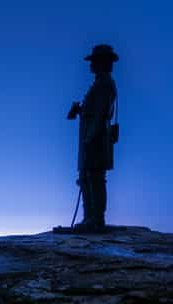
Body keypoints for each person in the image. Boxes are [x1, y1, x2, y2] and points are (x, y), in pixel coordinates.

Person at [66, 44, 119, 232]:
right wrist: (80, 110)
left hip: (95, 137)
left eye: (94, 61)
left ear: (101, 63)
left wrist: (91, 135)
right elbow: (94, 110)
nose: (91, 65)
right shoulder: (100, 83)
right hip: (90, 136)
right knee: (86, 176)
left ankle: (96, 218)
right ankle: (89, 217)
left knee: (95, 176)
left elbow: (101, 112)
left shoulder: (105, 84)